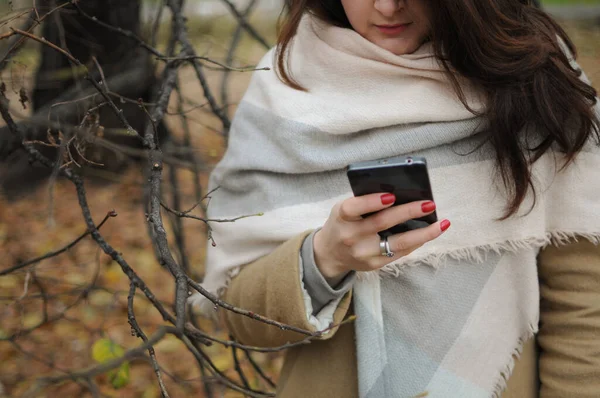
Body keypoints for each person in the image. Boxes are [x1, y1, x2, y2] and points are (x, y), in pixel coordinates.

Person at [189, 0, 600, 397]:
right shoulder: (284, 91)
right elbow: (240, 318)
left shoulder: (535, 81)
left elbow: (584, 304)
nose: (387, 7)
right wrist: (324, 260)